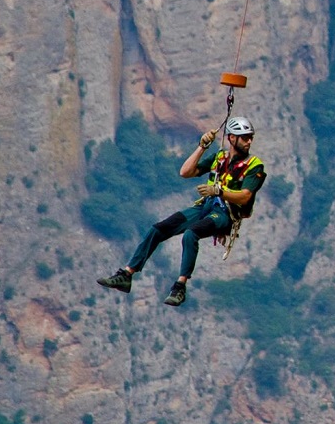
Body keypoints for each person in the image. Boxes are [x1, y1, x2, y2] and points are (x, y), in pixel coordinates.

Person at [97, 116, 267, 306]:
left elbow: (245, 196)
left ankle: (180, 286)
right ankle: (127, 274)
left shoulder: (254, 166)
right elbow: (185, 172)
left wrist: (219, 191)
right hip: (205, 206)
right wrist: (202, 147)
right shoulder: (220, 157)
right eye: (244, 137)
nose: (249, 141)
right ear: (232, 138)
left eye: (250, 137)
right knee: (159, 229)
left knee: (190, 234)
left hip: (225, 213)